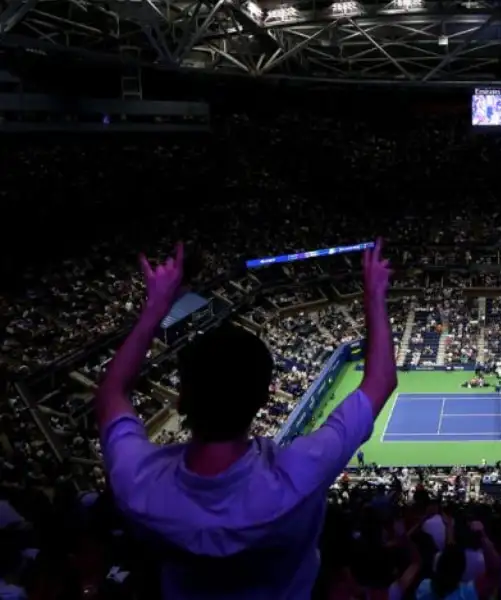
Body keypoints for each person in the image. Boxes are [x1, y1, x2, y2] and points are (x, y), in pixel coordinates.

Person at [95, 240, 398, 599]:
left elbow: (111, 392)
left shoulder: (140, 485)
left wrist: (156, 307)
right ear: (262, 399)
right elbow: (381, 380)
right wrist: (374, 294)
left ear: (181, 400)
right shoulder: (298, 474)